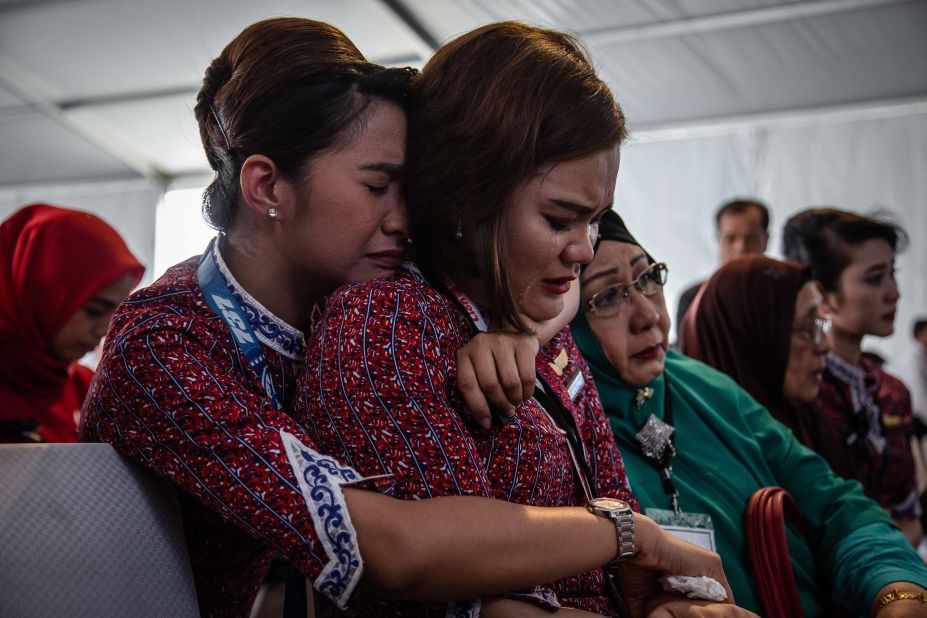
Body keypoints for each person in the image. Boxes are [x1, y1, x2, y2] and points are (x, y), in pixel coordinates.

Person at [80, 18, 729, 618]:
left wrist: (516, 329)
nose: (406, 213)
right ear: (267, 187)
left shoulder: (366, 281)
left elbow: (518, 266)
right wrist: (620, 529)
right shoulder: (166, 345)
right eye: (377, 184)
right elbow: (394, 549)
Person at [296, 21, 745, 618]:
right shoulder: (385, 326)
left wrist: (664, 597)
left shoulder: (531, 325)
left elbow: (609, 503)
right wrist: (630, 539)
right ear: (466, 200)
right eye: (561, 219)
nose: (586, 249)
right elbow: (455, 603)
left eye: (596, 219)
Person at [572, 210, 927, 617]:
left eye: (648, 278)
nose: (648, 315)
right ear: (569, 318)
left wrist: (897, 590)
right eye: (608, 297)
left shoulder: (705, 389)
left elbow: (832, 504)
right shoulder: (565, 434)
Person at [781, 207, 922, 546]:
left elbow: (910, 514)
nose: (894, 292)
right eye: (874, 278)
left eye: (892, 274)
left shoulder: (891, 390)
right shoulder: (802, 388)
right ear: (823, 293)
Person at [0, 203, 143, 443]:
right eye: (94, 310)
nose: (103, 331)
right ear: (36, 292)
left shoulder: (86, 391)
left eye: (115, 315)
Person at [675, 199, 769, 333]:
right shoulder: (694, 299)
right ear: (718, 240)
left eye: (751, 239)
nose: (740, 248)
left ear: (766, 240)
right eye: (730, 239)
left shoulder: (788, 295)